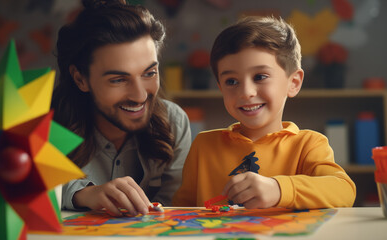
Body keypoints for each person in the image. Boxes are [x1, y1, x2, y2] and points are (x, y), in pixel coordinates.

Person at [172, 16, 356, 209]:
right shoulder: (203, 145)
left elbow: (344, 190)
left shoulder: (309, 145)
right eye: (231, 81)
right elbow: (180, 210)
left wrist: (279, 189)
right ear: (220, 87)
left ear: (293, 83)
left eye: (260, 77)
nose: (246, 92)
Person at [52, 0, 191, 216]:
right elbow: (22, 192)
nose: (140, 96)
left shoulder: (174, 121)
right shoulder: (44, 124)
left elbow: (174, 208)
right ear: (80, 79)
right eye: (118, 79)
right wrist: (83, 194)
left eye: (149, 73)